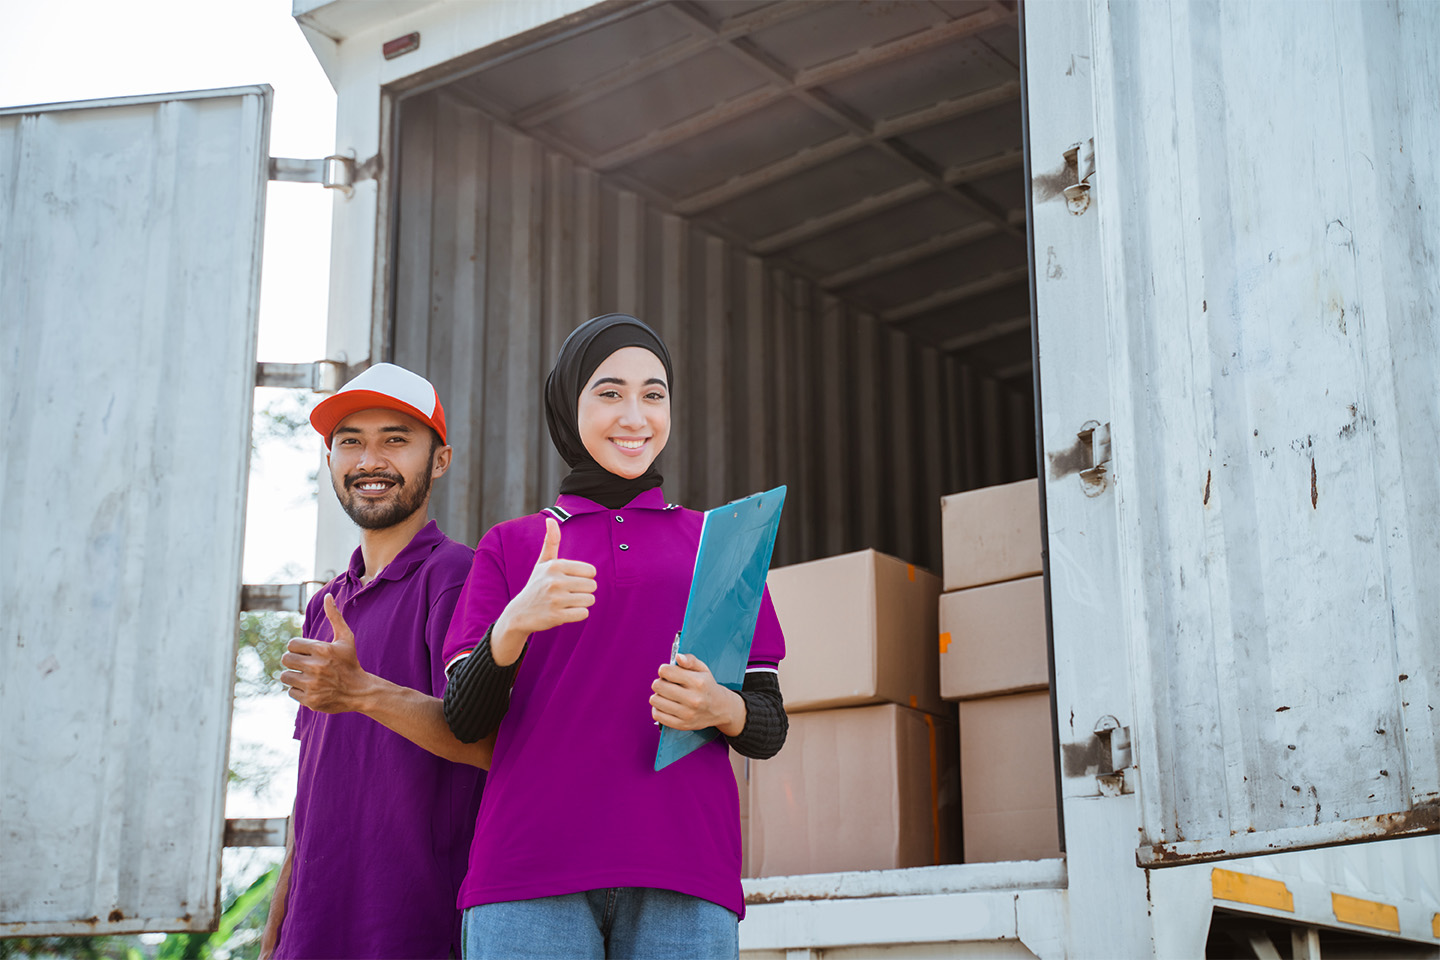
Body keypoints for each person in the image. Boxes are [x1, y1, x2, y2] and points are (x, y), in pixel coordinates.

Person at [440, 313, 789, 959]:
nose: (635, 416)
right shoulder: (513, 545)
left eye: (654, 394)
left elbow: (768, 726)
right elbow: (464, 719)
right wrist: (514, 622)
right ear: (568, 406)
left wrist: (720, 706)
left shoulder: (722, 544)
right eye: (609, 392)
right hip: (528, 875)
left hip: (685, 872)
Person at [261, 362, 491, 960]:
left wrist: (361, 690)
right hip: (311, 931)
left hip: (411, 928)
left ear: (439, 460)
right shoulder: (325, 605)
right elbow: (312, 785)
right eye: (350, 442)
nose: (370, 461)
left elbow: (491, 747)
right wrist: (278, 926)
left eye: (395, 439)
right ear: (330, 459)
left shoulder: (458, 577)